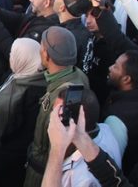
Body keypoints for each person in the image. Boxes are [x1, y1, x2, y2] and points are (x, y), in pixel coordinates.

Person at [23, 26, 89, 187]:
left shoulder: (61, 96)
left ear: (46, 54)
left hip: (42, 171)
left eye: (41, 47)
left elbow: (49, 142)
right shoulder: (78, 75)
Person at [0, 37, 46, 186]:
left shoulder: (35, 93)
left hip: (7, 165)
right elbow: (1, 83)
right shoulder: (21, 73)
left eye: (13, 53)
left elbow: (22, 139)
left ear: (24, 58)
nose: (10, 56)